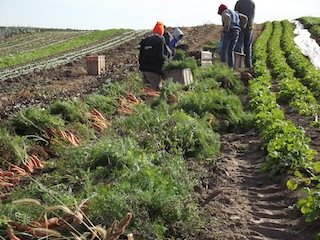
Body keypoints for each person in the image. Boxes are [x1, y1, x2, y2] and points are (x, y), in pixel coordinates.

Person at [138, 21, 168, 90]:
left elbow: (140, 57)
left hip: (144, 71)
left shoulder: (145, 40)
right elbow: (161, 56)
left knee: (147, 92)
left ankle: (147, 101)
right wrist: (166, 64)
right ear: (161, 31)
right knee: (155, 93)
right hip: (154, 71)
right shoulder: (160, 40)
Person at [217, 4, 247, 68]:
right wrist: (242, 27)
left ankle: (222, 67)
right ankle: (231, 68)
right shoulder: (235, 13)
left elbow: (227, 17)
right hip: (237, 31)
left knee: (224, 50)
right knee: (231, 50)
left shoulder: (224, 12)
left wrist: (226, 27)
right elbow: (245, 18)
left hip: (230, 31)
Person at [234, 0, 255, 69]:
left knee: (239, 46)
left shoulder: (239, 2)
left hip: (241, 27)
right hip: (250, 27)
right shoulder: (252, 3)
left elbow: (236, 14)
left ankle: (239, 65)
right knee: (248, 47)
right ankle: (248, 65)